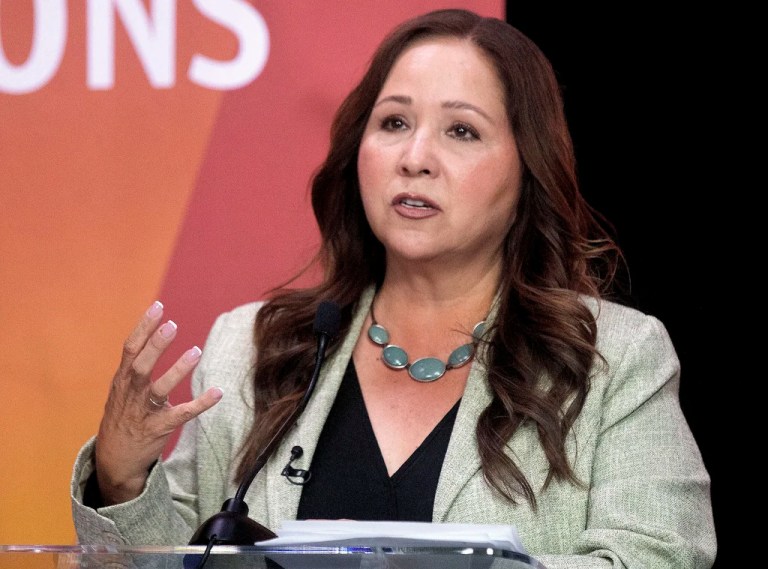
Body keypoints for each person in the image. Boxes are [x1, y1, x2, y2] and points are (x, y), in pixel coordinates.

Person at [70, 8, 716, 568]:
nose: (416, 157)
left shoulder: (611, 355)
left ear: (528, 167)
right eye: (394, 123)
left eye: (461, 131)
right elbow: (179, 558)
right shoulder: (257, 345)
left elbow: (659, 556)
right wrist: (123, 479)